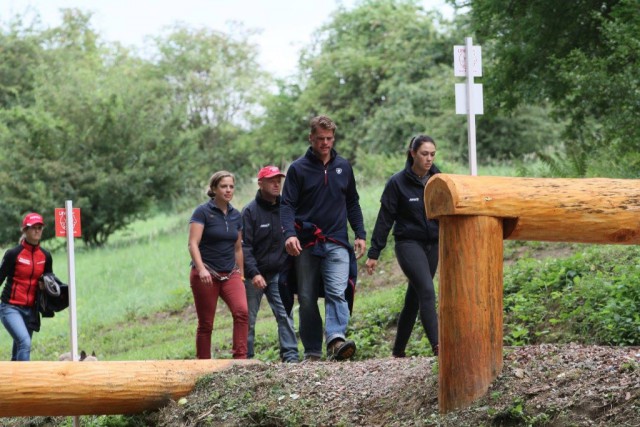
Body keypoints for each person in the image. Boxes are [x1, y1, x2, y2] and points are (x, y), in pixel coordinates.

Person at [280, 115, 367, 362]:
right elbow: (286, 205)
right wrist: (289, 234)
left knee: (337, 291)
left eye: (329, 138)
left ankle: (336, 339)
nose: (325, 143)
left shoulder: (344, 166)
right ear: (311, 138)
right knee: (306, 298)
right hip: (307, 242)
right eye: (320, 139)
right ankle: (312, 351)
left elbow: (352, 202)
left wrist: (360, 233)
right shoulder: (298, 169)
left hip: (338, 241)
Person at [365, 135, 441, 357]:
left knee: (414, 297)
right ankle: (439, 348)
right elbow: (384, 219)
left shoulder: (439, 179)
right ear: (412, 153)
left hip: (433, 244)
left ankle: (398, 351)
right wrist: (374, 252)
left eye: (432, 154)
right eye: (424, 153)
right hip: (408, 244)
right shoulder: (397, 183)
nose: (429, 159)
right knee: (427, 290)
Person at [188, 170, 248, 359]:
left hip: (230, 273)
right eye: (223, 186)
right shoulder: (202, 212)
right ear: (214, 189)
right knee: (206, 324)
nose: (228, 190)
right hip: (207, 274)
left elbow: (238, 248)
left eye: (231, 186)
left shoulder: (236, 215)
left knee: (242, 312)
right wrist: (201, 269)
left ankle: (240, 359)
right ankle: (203, 364)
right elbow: (192, 244)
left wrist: (241, 273)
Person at [242, 165, 299, 363]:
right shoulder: (249, 212)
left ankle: (291, 357)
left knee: (285, 314)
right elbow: (244, 247)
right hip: (253, 275)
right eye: (271, 180)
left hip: (278, 273)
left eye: (278, 180)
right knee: (248, 319)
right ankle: (246, 360)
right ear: (260, 183)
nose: (276, 184)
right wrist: (254, 272)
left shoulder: (287, 208)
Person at [0, 213, 53, 361]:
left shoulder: (45, 256)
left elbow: (50, 280)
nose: (37, 231)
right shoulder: (13, 254)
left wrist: (47, 286)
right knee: (24, 342)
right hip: (10, 308)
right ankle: (25, 382)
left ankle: (11, 382)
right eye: (33, 228)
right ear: (25, 230)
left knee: (18, 351)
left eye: (40, 228)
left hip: (31, 310)